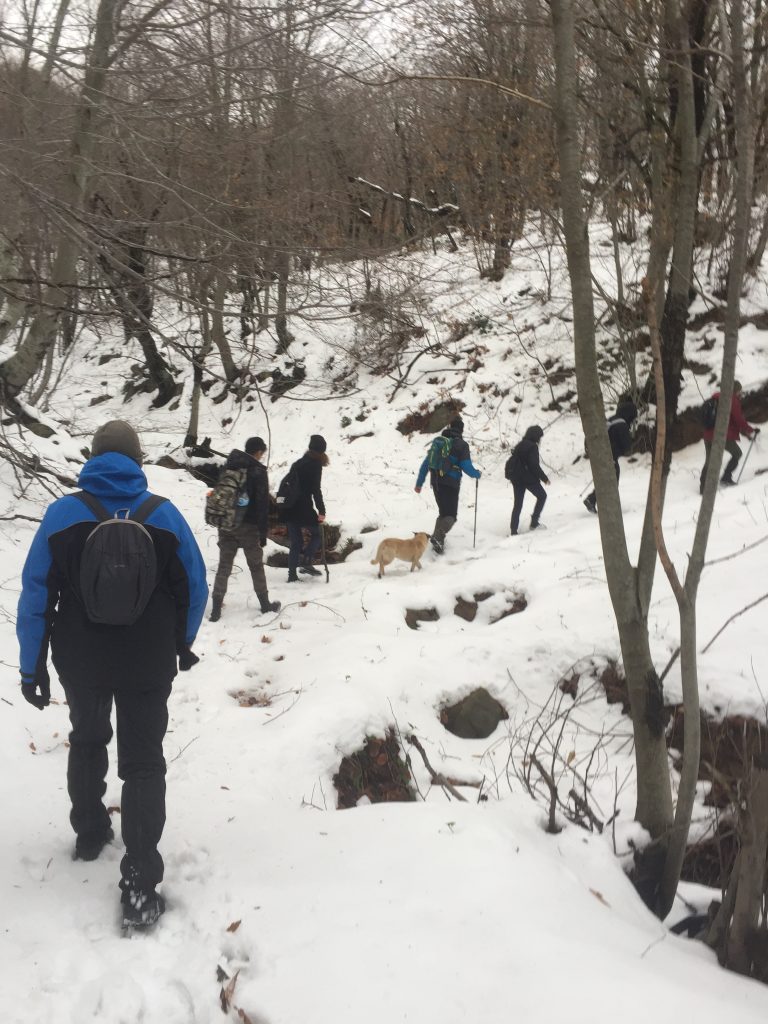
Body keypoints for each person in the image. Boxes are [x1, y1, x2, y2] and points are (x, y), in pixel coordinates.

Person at [16, 420, 208, 928]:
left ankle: (90, 832)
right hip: (147, 660)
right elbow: (194, 585)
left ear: (94, 458)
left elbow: (36, 594)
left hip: (81, 659)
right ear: (137, 460)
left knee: (88, 737)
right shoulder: (163, 515)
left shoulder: (62, 514)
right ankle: (140, 887)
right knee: (144, 763)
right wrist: (181, 645)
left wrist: (31, 666)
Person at [210, 437, 281, 622]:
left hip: (226, 524)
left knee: (224, 566)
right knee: (256, 566)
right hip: (248, 527)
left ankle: (216, 608)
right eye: (262, 452)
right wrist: (263, 533)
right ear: (258, 451)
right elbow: (262, 505)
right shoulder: (257, 471)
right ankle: (265, 604)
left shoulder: (230, 465)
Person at [414, 416, 481, 554]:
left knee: (443, 513)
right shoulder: (461, 445)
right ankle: (437, 538)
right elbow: (466, 466)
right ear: (461, 430)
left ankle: (437, 543)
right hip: (451, 484)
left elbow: (426, 464)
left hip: (436, 482)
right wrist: (476, 474)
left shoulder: (439, 443)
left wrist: (419, 483)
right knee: (451, 516)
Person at [282, 434, 328, 582]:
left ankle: (292, 576)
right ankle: (307, 562)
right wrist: (321, 511)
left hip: (289, 507)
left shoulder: (298, 463)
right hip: (304, 508)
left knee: (296, 542)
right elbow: (316, 490)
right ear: (321, 451)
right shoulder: (315, 465)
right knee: (317, 535)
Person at [699, 381, 759, 493]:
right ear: (735, 390)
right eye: (739, 390)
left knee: (710, 460)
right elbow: (739, 420)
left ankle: (703, 487)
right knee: (737, 453)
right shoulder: (731, 400)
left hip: (708, 434)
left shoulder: (716, 398)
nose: (740, 393)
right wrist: (751, 429)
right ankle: (726, 477)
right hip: (722, 436)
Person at [583, 397, 637, 513]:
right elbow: (626, 446)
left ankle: (592, 499)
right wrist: (632, 440)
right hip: (610, 457)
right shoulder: (622, 424)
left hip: (600, 456)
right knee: (612, 481)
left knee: (605, 480)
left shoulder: (611, 420)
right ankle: (607, 505)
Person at [505, 426, 550, 534]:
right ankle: (534, 523)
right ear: (536, 436)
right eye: (539, 437)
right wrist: (544, 478)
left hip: (516, 478)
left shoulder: (520, 444)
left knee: (518, 504)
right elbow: (534, 465)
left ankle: (513, 530)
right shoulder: (532, 447)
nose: (540, 439)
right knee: (542, 496)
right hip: (528, 479)